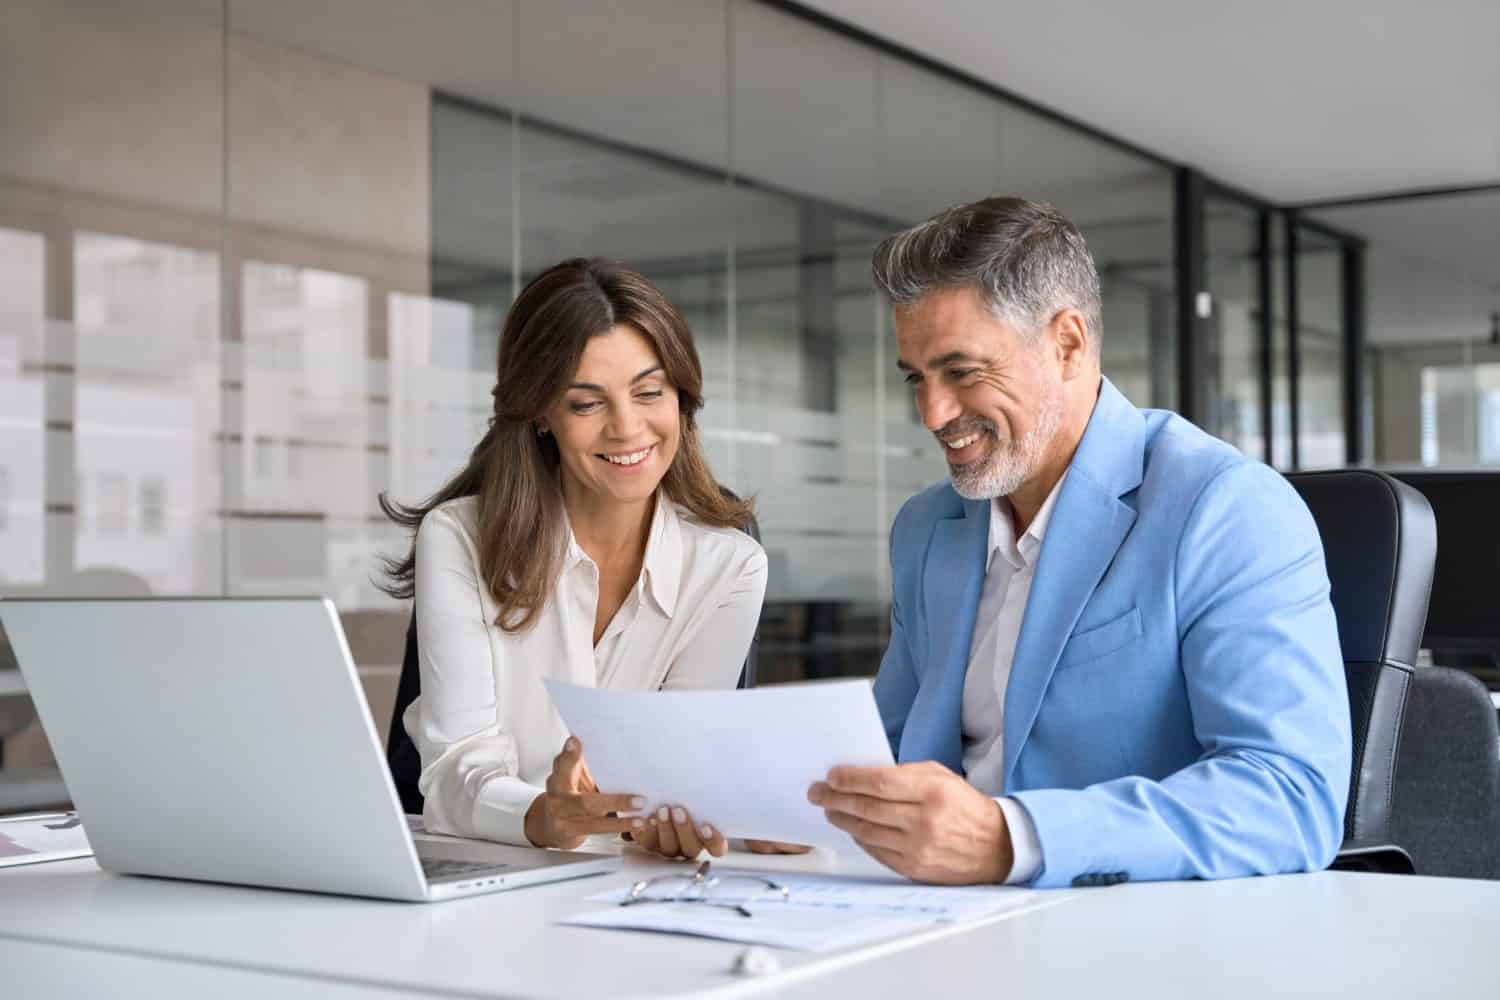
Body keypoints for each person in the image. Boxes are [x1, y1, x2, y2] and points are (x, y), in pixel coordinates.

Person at [807, 196, 1351, 888]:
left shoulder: (1224, 508)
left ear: (1066, 343)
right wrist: (768, 814)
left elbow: (1291, 794)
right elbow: (882, 752)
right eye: (917, 378)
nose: (932, 413)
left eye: (963, 372)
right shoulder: (928, 528)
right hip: (935, 918)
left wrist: (1015, 840)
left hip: (1134, 932)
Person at [380, 258, 766, 859]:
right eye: (587, 404)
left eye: (648, 392)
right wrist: (542, 816)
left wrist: (715, 811)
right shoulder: (458, 537)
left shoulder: (730, 564)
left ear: (681, 396)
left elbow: (675, 775)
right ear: (540, 413)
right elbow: (456, 766)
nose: (628, 428)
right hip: (478, 869)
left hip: (621, 883)